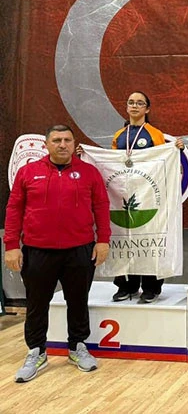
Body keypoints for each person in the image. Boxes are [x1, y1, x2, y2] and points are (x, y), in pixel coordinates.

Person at [4, 125, 111, 383]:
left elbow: (101, 206)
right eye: (57, 140)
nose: (62, 144)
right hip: (38, 250)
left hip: (80, 249)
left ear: (74, 144)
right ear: (46, 144)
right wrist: (11, 245)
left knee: (78, 301)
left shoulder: (89, 173)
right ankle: (37, 352)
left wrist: (103, 240)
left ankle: (77, 347)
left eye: (67, 140)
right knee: (36, 304)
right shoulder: (28, 172)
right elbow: (14, 208)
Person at [110, 91, 184, 303]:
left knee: (149, 238)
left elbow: (164, 160)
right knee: (125, 238)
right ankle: (126, 286)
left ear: (147, 109)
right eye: (131, 102)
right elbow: (111, 163)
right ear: (126, 107)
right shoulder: (118, 135)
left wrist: (177, 149)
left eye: (139, 103)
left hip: (149, 194)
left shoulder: (154, 134)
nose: (134, 106)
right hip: (123, 194)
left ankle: (151, 287)